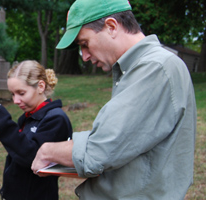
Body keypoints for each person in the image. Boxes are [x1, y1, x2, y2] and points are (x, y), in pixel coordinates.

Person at [31, 0, 197, 199]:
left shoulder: (155, 68)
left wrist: (47, 151)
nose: (84, 56)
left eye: (84, 44)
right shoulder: (140, 68)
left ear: (111, 26)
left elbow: (99, 151)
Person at [0, 60, 72, 200]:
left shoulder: (56, 119)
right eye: (13, 94)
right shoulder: (28, 117)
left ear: (40, 86)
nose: (15, 100)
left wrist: (2, 122)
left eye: (21, 93)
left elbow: (33, 157)